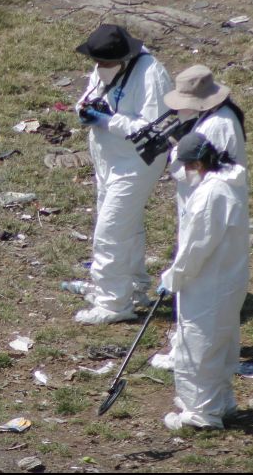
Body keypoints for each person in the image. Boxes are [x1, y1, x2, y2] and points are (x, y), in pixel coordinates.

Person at [73, 23, 174, 325]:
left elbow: (153, 128)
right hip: (108, 160)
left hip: (135, 164)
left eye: (105, 63)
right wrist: (83, 108)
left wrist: (107, 121)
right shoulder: (105, 64)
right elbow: (92, 93)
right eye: (97, 62)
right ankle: (133, 287)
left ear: (124, 57)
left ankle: (114, 304)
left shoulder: (150, 74)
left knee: (110, 232)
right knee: (124, 225)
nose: (99, 67)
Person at [150, 64, 248, 371]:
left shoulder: (216, 127)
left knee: (198, 292)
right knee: (215, 299)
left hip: (206, 211)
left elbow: (195, 170)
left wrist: (175, 155)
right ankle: (216, 357)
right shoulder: (221, 117)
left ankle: (191, 357)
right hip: (212, 211)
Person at [156, 132, 250, 430]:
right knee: (220, 344)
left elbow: (196, 247)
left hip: (208, 283)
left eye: (185, 166)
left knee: (198, 347)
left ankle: (201, 416)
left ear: (197, 163)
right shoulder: (227, 185)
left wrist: (173, 277)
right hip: (226, 279)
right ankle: (221, 402)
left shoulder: (211, 195)